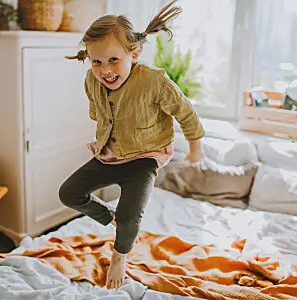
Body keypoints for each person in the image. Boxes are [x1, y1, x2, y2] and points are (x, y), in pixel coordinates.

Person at [59, 0, 204, 290]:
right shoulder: (92, 80)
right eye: (97, 61)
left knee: (130, 219)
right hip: (110, 156)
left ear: (134, 54)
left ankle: (119, 256)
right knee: (69, 193)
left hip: (145, 157)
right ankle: (108, 217)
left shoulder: (153, 81)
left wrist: (194, 147)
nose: (105, 70)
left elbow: (184, 111)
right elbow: (97, 110)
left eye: (114, 60)